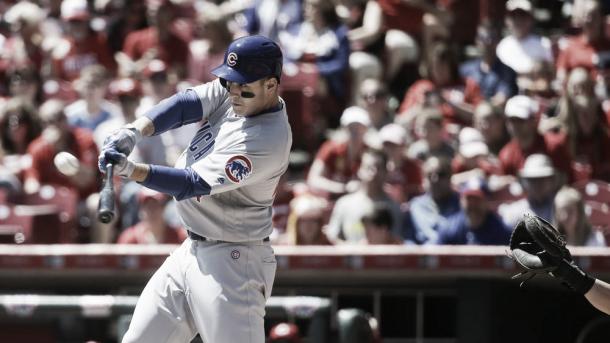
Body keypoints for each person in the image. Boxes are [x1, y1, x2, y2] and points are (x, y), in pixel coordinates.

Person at [97, 35, 292, 343]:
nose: (234, 92)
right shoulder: (237, 90)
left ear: (271, 84)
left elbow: (191, 184)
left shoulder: (267, 139)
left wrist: (131, 171)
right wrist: (133, 131)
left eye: (244, 87)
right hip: (191, 250)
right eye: (230, 83)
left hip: (233, 261)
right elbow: (186, 104)